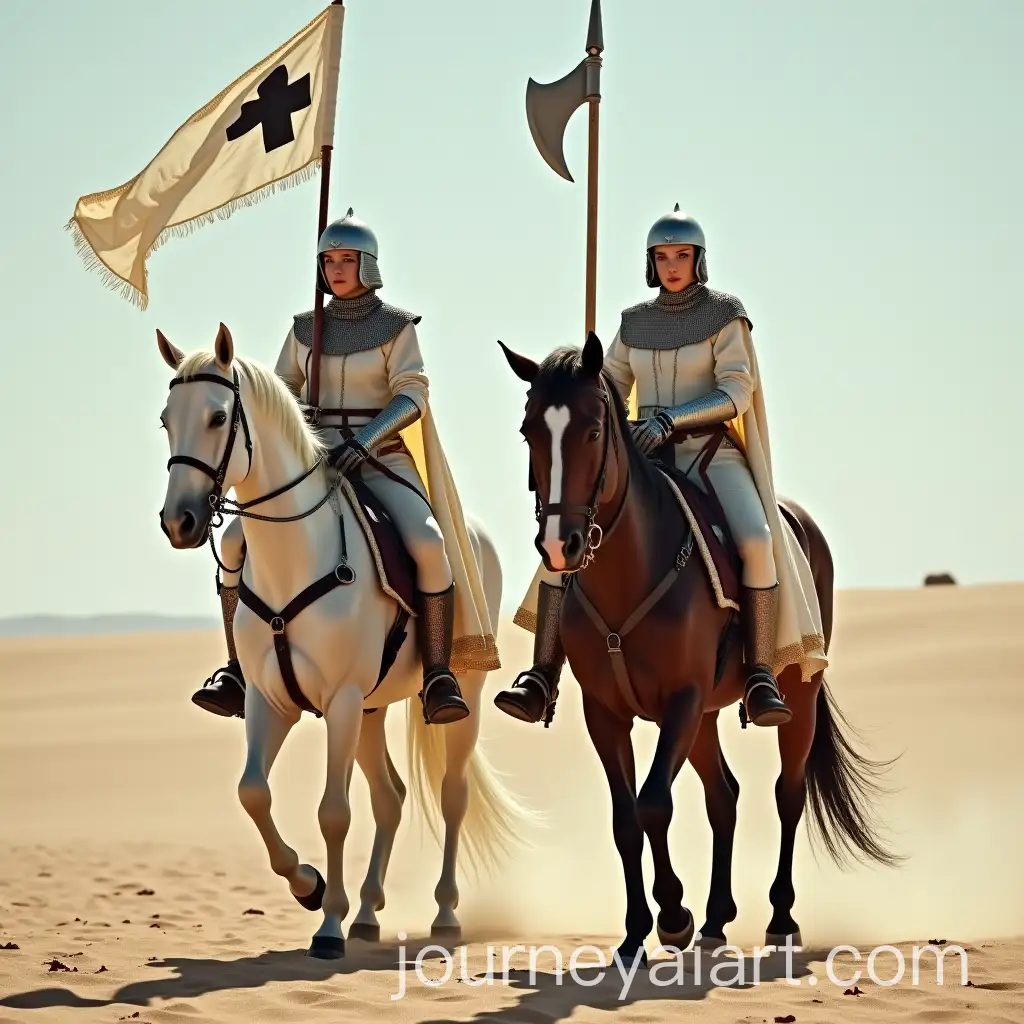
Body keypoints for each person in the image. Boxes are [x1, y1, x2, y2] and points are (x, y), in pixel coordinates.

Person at [494, 205, 828, 728]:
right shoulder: (633, 322)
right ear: (651, 263)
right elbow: (609, 386)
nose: (672, 266)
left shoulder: (725, 315)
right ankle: (542, 674)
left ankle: (760, 672)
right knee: (567, 536)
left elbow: (736, 391)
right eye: (663, 257)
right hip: (645, 458)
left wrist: (672, 419)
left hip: (710, 455)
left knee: (757, 539)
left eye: (682, 255)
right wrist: (582, 383)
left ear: (699, 259)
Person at [191, 209, 499, 724]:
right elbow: (279, 393)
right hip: (311, 465)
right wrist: (300, 424)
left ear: (368, 265)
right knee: (232, 541)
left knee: (428, 544)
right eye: (328, 260)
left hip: (381, 460)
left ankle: (438, 673)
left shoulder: (396, 327)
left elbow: (412, 394)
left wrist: (365, 439)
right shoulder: (304, 329)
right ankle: (237, 669)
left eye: (346, 260)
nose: (336, 270)